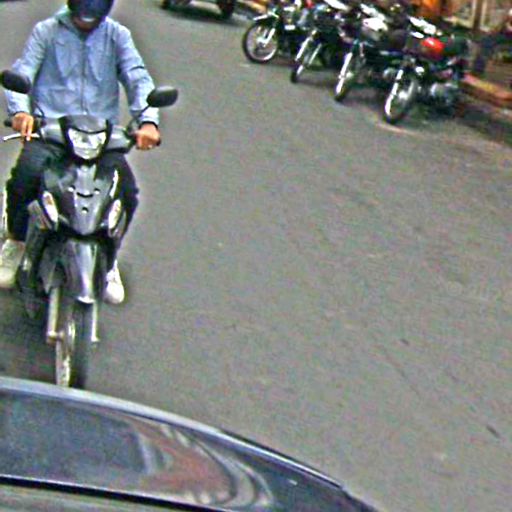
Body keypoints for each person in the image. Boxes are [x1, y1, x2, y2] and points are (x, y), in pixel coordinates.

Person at [0, 0, 161, 304]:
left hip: (99, 136)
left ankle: (109, 259)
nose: (86, 19)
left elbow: (138, 79)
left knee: (126, 192)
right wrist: (21, 112)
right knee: (26, 177)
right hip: (52, 131)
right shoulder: (46, 32)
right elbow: (23, 73)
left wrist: (148, 122)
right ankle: (17, 241)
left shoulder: (118, 36)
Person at [472, 7, 512, 77]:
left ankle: (478, 70)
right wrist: (494, 30)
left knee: (488, 42)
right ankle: (477, 70)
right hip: (506, 34)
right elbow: (506, 21)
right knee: (486, 40)